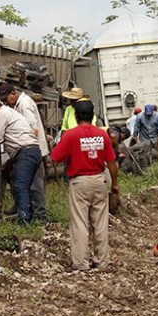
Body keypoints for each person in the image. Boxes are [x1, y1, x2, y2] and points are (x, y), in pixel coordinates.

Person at [50, 100, 119, 271]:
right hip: (99, 180)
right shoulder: (102, 135)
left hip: (80, 182)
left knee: (80, 223)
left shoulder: (71, 135)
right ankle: (102, 262)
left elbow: (55, 157)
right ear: (93, 115)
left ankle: (81, 263)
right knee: (100, 223)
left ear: (75, 115)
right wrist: (115, 185)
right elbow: (112, 163)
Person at [0, 97, 42, 224]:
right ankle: (38, 216)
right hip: (32, 151)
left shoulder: (2, 114)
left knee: (20, 186)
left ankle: (24, 219)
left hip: (26, 152)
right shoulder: (9, 113)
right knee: (30, 187)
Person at [0, 83, 49, 222]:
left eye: (6, 98)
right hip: (28, 148)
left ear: (13, 93)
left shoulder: (24, 104)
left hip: (30, 148)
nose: (5, 102)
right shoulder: (17, 104)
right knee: (21, 180)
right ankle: (26, 208)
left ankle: (40, 215)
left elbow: (33, 128)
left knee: (34, 184)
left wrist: (25, 143)